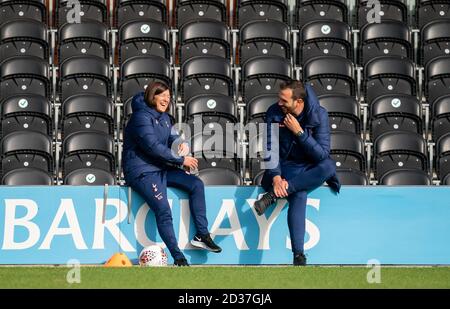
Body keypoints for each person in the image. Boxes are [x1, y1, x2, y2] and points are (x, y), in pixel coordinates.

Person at [122, 81, 222, 267]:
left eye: (168, 97)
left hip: (161, 168)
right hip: (142, 171)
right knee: (163, 210)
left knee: (196, 184)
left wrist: (181, 144)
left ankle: (202, 234)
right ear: (152, 97)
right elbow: (152, 146)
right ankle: (178, 257)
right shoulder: (139, 118)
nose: (166, 100)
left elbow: (172, 137)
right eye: (162, 96)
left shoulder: (165, 118)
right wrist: (180, 160)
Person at [254, 80, 341, 266]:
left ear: (299, 102)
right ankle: (299, 255)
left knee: (328, 167)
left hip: (306, 168)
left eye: (284, 101)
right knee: (299, 193)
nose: (279, 103)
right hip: (283, 169)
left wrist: (300, 133)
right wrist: (277, 178)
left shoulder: (320, 115)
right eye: (279, 99)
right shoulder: (273, 112)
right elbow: (270, 149)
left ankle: (271, 197)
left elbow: (321, 155)